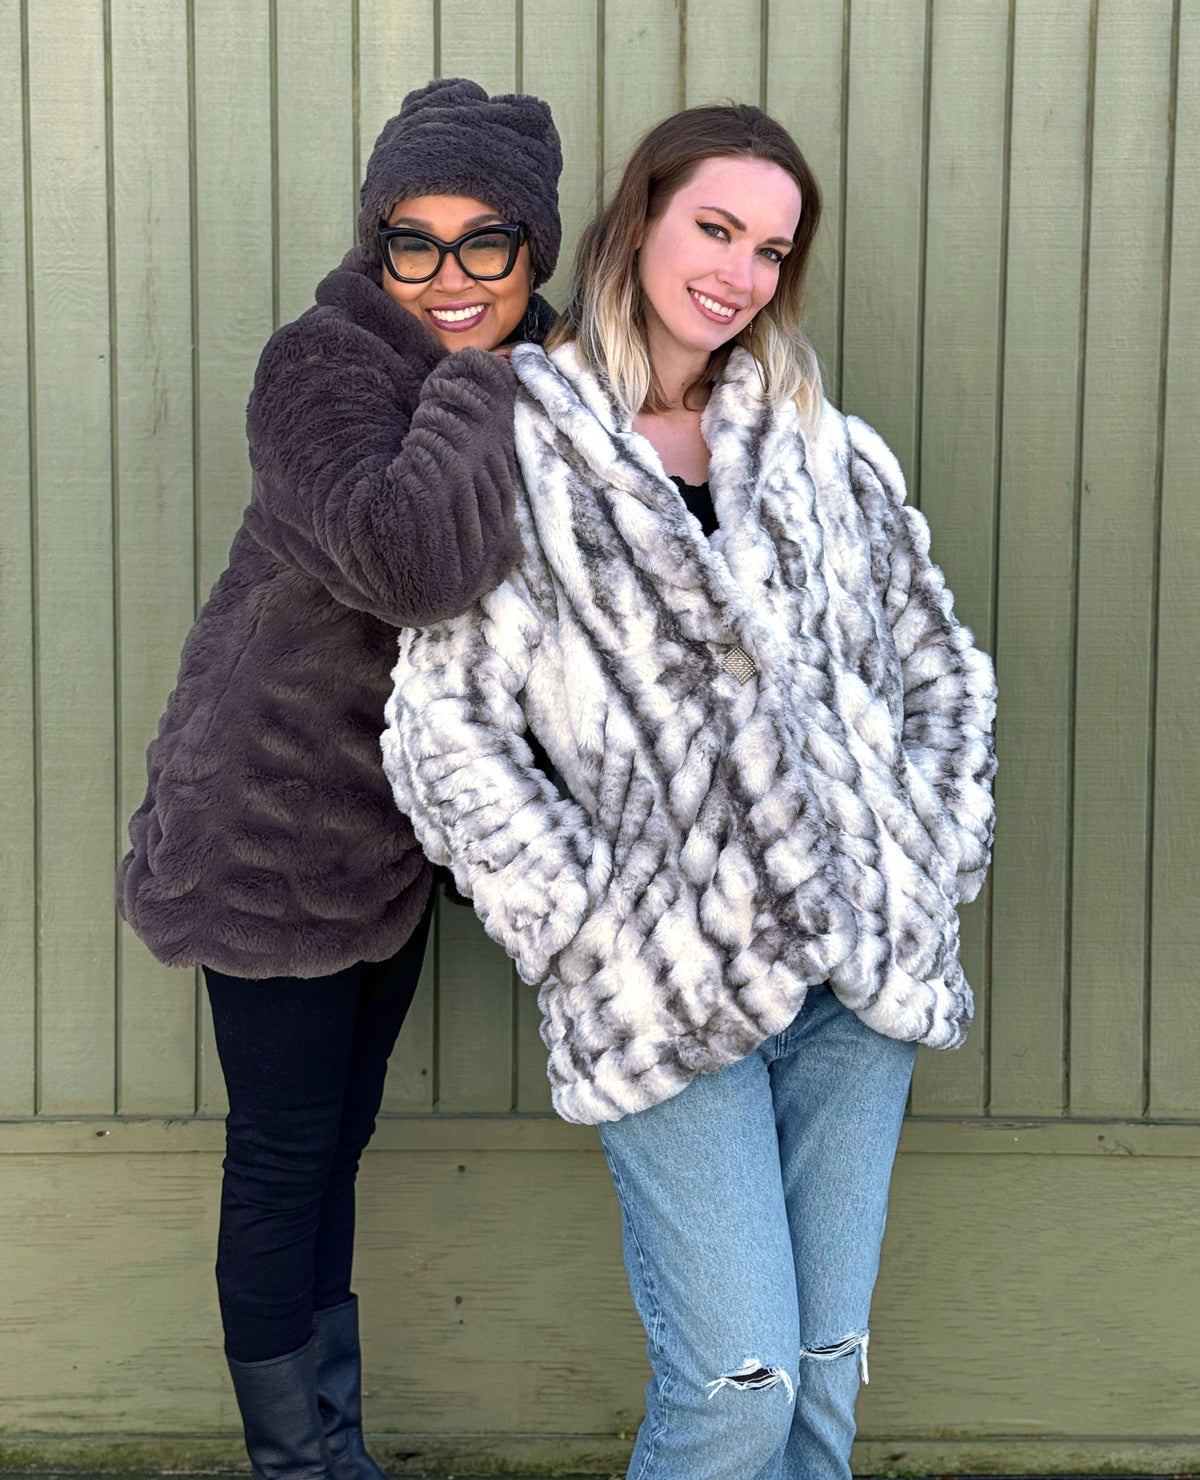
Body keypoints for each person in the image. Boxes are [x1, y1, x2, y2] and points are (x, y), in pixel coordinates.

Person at [380, 103, 997, 1480]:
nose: (739, 273)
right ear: (640, 219)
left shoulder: (829, 451)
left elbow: (940, 671)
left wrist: (929, 848)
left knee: (826, 1381)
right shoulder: (521, 446)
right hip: (666, 993)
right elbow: (445, 728)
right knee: (738, 1387)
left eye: (772, 250)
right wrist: (586, 921)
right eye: (715, 228)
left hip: (862, 971)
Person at [118, 77, 562, 1480]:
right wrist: (490, 372)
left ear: (534, 250)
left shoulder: (543, 373)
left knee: (334, 1145)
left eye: (484, 243)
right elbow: (412, 563)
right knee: (285, 1157)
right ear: (374, 250)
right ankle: (298, 1466)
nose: (446, 276)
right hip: (264, 832)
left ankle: (336, 1447)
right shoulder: (322, 364)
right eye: (410, 243)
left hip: (379, 851)